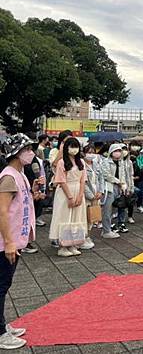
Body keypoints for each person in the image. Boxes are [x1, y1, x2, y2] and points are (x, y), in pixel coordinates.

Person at [0, 133, 38, 350]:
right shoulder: (8, 177)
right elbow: (2, 212)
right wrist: (9, 242)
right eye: (28, 149)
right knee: (1, 285)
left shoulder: (20, 174)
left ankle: (2, 325)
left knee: (4, 284)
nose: (31, 153)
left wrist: (35, 193)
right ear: (17, 152)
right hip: (6, 242)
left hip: (15, 240)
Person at [49, 137, 88, 257]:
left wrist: (80, 195)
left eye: (76, 146)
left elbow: (83, 180)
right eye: (71, 146)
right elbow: (61, 181)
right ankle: (63, 246)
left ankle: (73, 243)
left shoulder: (81, 162)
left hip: (78, 191)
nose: (74, 149)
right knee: (64, 217)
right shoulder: (61, 162)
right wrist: (70, 197)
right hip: (65, 193)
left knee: (76, 218)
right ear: (66, 148)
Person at [100, 144, 127, 238]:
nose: (118, 153)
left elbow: (123, 174)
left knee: (114, 209)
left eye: (119, 151)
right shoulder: (106, 162)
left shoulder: (121, 162)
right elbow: (106, 175)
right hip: (109, 188)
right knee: (107, 210)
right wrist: (118, 181)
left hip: (118, 188)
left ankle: (108, 228)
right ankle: (106, 230)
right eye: (115, 151)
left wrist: (123, 184)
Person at [82, 144, 104, 250]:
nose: (91, 154)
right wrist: (91, 196)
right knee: (85, 216)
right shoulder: (81, 165)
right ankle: (83, 236)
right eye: (88, 152)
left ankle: (88, 235)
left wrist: (101, 191)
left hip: (96, 193)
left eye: (92, 152)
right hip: (87, 195)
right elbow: (83, 183)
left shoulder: (96, 164)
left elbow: (101, 178)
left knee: (92, 216)